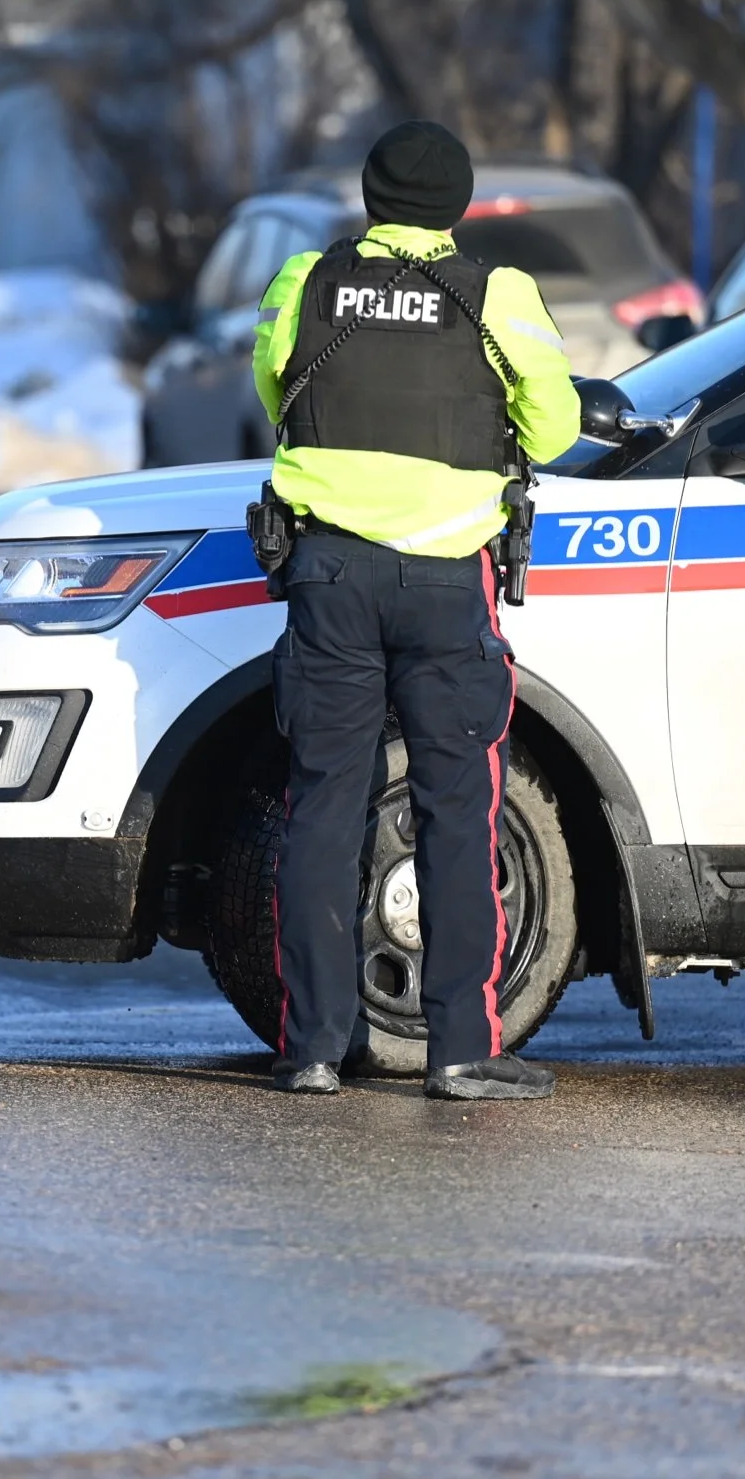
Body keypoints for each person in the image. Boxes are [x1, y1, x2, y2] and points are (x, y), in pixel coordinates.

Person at [251, 120, 580, 1101]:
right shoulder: (496, 295)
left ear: (368, 196)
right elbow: (554, 430)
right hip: (446, 583)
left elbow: (277, 386)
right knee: (455, 812)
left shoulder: (306, 282)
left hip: (328, 576)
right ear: (458, 206)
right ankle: (460, 1053)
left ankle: (312, 1046)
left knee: (322, 809)